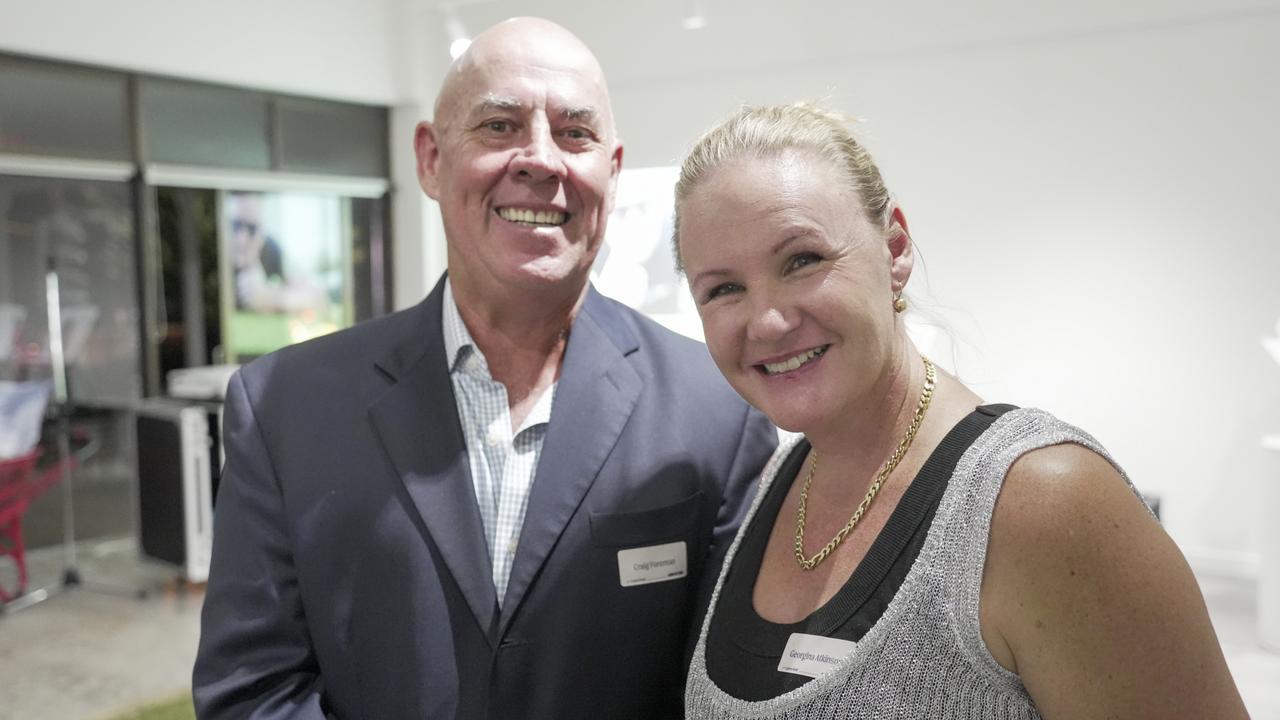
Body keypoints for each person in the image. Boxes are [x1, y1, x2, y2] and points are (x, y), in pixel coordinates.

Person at [192, 18, 776, 720]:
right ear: (431, 159)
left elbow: (722, 696)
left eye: (574, 133)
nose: (540, 160)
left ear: (612, 172)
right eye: (499, 126)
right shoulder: (284, 407)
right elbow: (252, 693)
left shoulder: (716, 409)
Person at [674, 103, 1249, 719]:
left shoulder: (1043, 503)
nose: (767, 321)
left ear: (895, 249)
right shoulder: (779, 482)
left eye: (803, 260)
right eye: (724, 289)